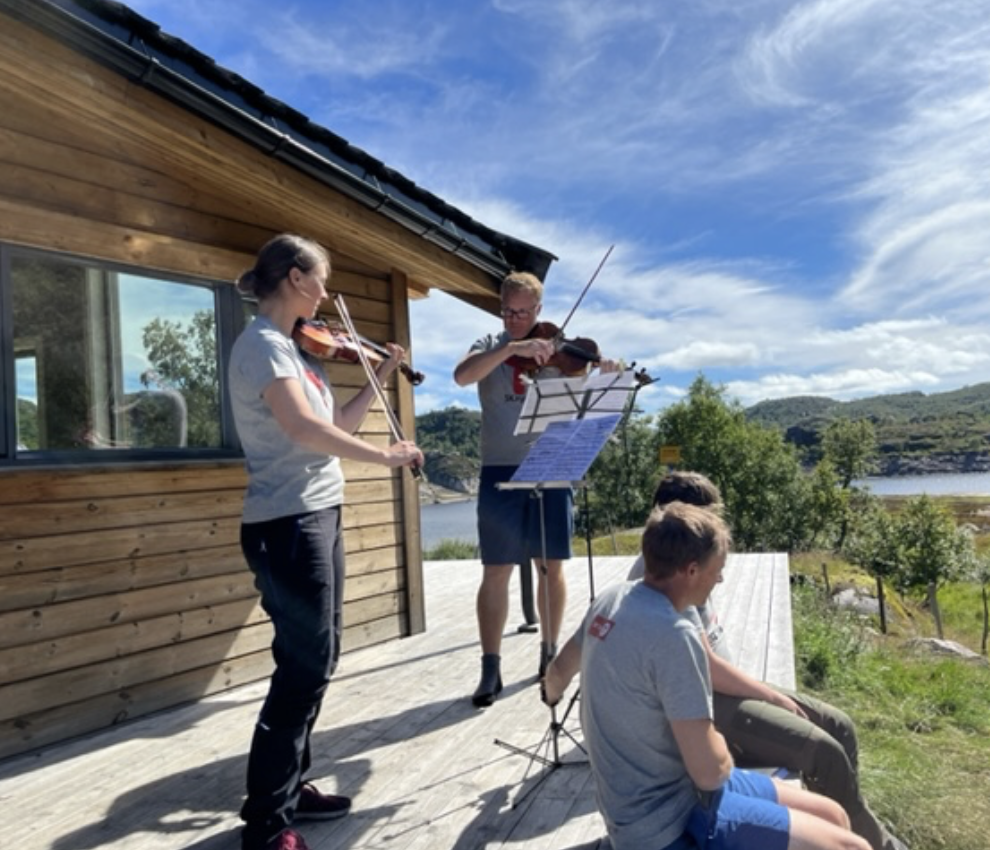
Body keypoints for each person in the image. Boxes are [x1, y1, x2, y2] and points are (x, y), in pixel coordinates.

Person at [228, 234, 423, 850]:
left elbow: (336, 423)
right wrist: (385, 457)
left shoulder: (296, 351)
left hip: (316, 514)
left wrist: (382, 373)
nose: (328, 292)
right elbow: (303, 429)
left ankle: (291, 787)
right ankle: (265, 823)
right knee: (303, 667)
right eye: (323, 279)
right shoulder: (262, 346)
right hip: (286, 523)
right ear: (293, 277)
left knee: (319, 658)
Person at [543, 503, 871, 850]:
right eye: (718, 569)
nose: (720, 579)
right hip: (669, 820)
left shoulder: (610, 600)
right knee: (852, 847)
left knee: (835, 816)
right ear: (691, 570)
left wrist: (551, 694)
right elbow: (710, 772)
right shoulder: (674, 634)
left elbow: (558, 673)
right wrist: (726, 746)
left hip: (668, 791)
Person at [625, 472, 908, 850]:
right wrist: (769, 696)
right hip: (709, 701)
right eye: (709, 517)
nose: (717, 527)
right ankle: (871, 842)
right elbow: (705, 668)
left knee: (840, 725)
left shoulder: (692, 560)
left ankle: (860, 825)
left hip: (729, 685)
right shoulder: (667, 576)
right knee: (823, 754)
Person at [453, 270, 616, 707]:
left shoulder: (559, 350)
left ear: (539, 310)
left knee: (551, 566)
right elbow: (462, 377)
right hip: (499, 468)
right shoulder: (490, 344)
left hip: (552, 463)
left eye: (524, 313)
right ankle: (490, 666)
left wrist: (605, 374)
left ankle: (549, 654)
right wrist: (511, 347)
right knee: (496, 570)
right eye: (509, 311)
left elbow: (588, 398)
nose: (517, 319)